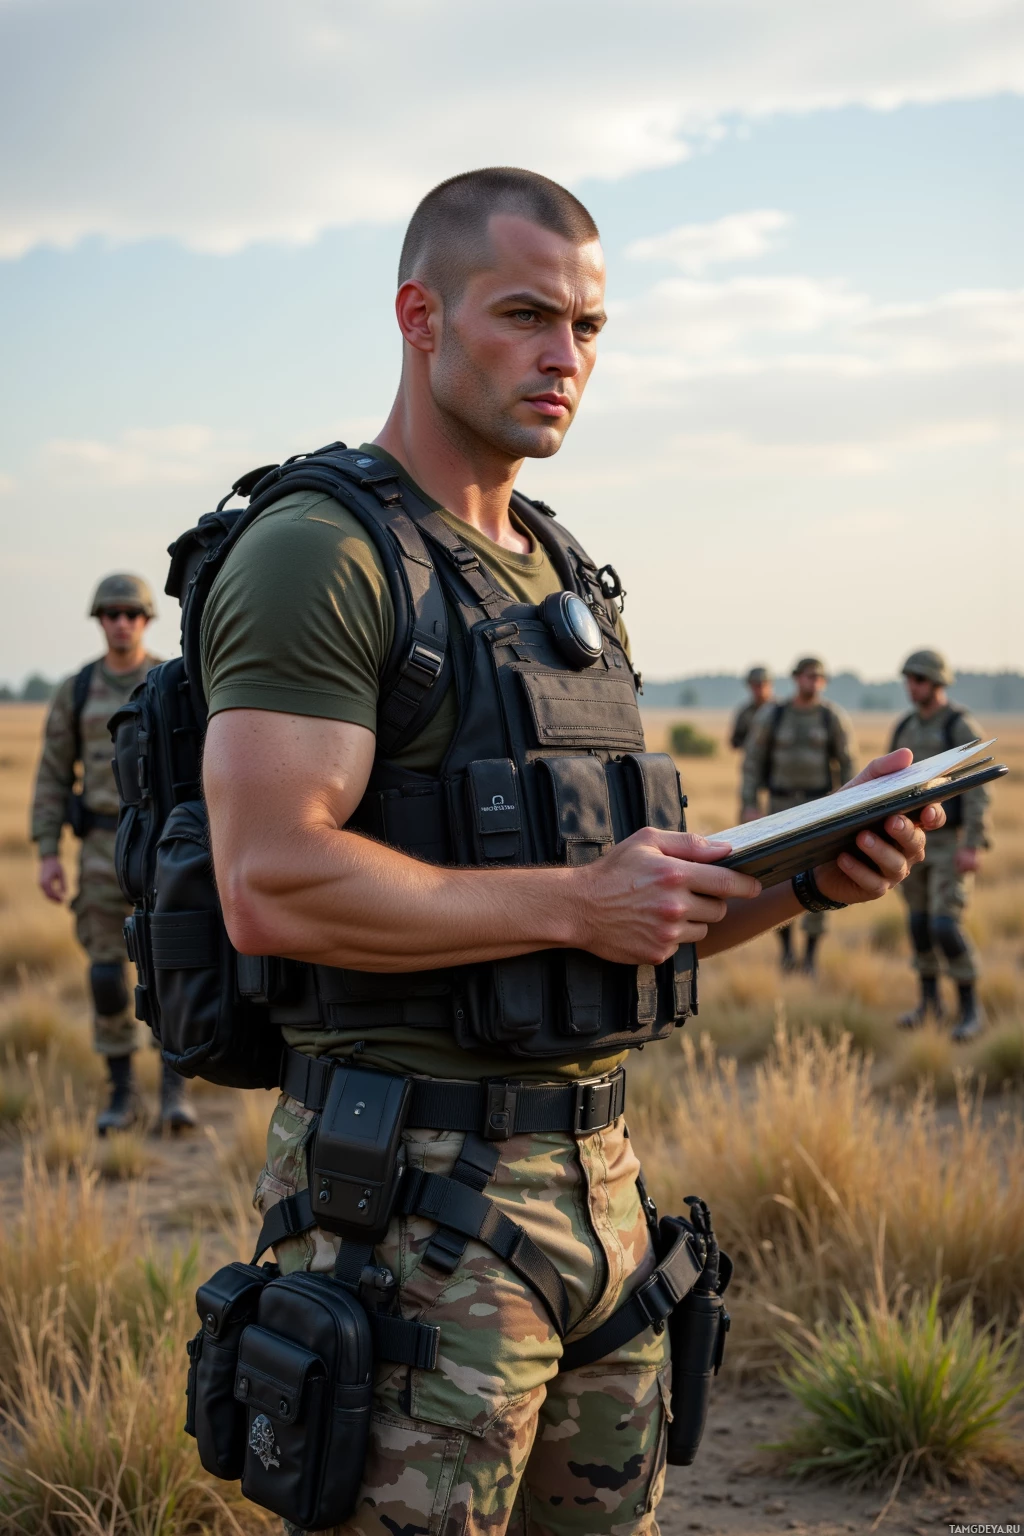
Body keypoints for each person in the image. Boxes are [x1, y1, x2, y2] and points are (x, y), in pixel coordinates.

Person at [200, 168, 942, 1536]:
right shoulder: (325, 553)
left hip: (602, 1205)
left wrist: (800, 876)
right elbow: (269, 884)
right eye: (526, 314)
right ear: (421, 316)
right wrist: (584, 896)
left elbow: (618, 917)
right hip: (406, 1217)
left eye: (591, 328)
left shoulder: (563, 577)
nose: (566, 358)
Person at [30, 574, 197, 1133]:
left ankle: (176, 1090)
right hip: (102, 850)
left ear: (146, 619)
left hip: (164, 845)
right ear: (100, 620)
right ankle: (122, 1093)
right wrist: (47, 851)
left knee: (173, 963)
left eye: (131, 612)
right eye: (111, 612)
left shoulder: (171, 681)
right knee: (106, 974)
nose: (121, 621)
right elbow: (53, 775)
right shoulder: (77, 690)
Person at [891, 649, 990, 1041]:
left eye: (918, 680)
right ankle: (929, 1005)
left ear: (936, 682)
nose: (911, 687)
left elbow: (980, 790)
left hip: (951, 842)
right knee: (918, 925)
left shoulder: (959, 726)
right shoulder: (904, 727)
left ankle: (971, 1009)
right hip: (912, 842)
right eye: (909, 680)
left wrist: (974, 843)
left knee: (945, 925)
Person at [740, 657, 856, 974]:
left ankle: (811, 957)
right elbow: (752, 763)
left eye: (819, 677)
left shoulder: (832, 717)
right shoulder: (773, 716)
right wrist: (750, 804)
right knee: (780, 877)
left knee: (822, 878)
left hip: (819, 807)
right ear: (795, 679)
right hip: (780, 807)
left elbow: (847, 765)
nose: (812, 682)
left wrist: (851, 807)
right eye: (807, 676)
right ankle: (787, 952)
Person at [729, 666, 773, 752]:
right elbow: (736, 741)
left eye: (762, 684)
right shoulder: (745, 712)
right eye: (756, 685)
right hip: (753, 761)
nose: (760, 689)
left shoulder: (781, 710)